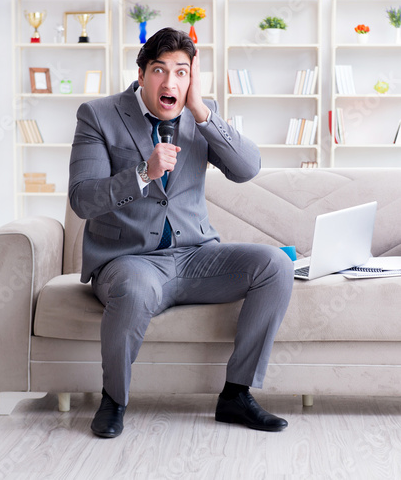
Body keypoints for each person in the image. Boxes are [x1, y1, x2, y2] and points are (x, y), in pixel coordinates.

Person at [69, 27, 294, 439]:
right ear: (141, 74)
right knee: (134, 291)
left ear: (192, 78)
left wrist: (203, 112)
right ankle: (113, 400)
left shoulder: (199, 113)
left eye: (181, 71)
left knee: (275, 265)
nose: (170, 82)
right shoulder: (98, 114)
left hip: (195, 257)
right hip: (129, 261)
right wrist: (142, 173)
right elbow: (83, 199)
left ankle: (236, 395)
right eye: (159, 70)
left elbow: (247, 170)